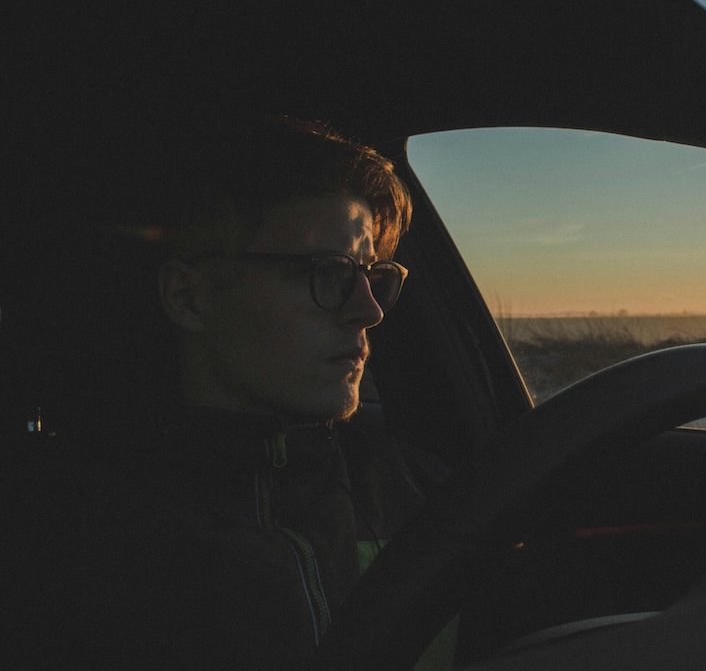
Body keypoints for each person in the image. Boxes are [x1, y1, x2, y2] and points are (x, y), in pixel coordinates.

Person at [24, 116, 445, 671]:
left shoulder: (425, 492)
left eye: (372, 274)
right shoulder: (63, 539)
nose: (369, 310)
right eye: (327, 271)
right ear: (190, 298)